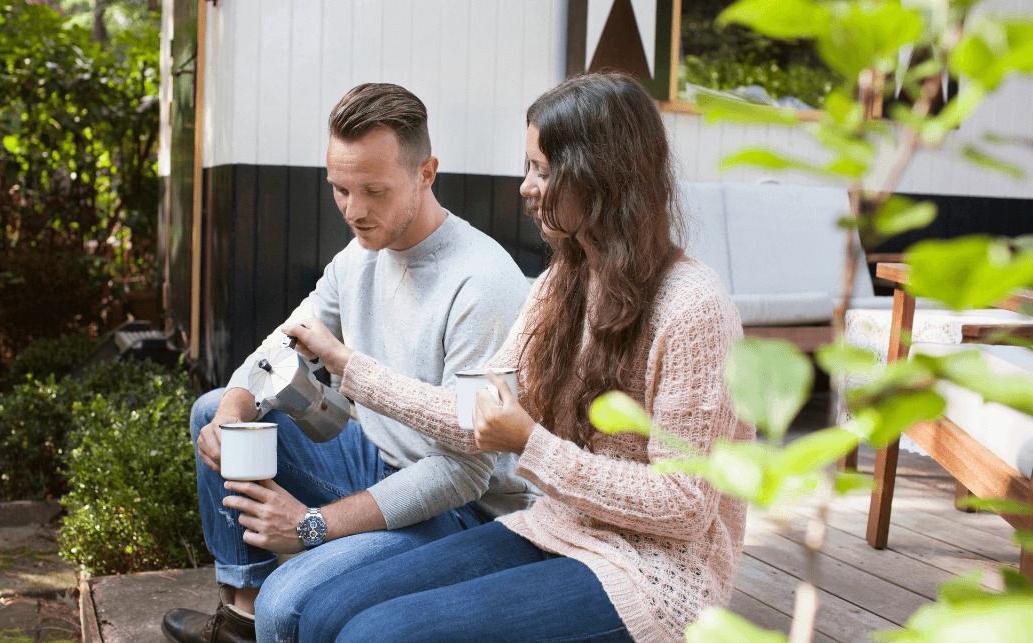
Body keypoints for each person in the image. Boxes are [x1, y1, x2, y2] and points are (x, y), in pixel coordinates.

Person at [287, 72, 752, 643]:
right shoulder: (564, 282)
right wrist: (347, 366)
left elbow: (685, 505)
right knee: (324, 612)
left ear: (603, 178)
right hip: (555, 527)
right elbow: (474, 413)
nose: (526, 187)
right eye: (528, 166)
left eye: (544, 170)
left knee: (375, 636)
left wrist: (533, 444)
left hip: (652, 577)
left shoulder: (693, 309)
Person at [161, 83, 534, 643]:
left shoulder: (483, 283)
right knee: (215, 410)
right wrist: (235, 407)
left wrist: (311, 526)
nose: (354, 211)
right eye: (340, 189)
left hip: (463, 513)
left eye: (374, 191)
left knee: (292, 606)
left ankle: (271, 614)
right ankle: (241, 620)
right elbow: (281, 346)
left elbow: (463, 473)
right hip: (374, 459)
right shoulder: (359, 255)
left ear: (426, 173)